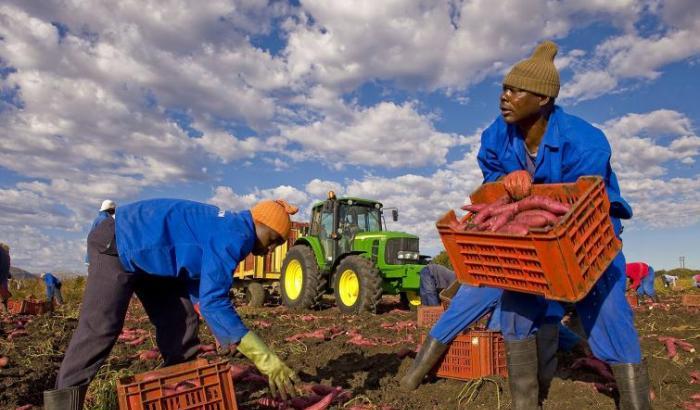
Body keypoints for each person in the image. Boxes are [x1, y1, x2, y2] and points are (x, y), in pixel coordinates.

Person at [475, 41, 648, 409]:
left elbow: (577, 201)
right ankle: (526, 401)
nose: (504, 97)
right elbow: (490, 165)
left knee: (608, 312)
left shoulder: (585, 141)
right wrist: (506, 178)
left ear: (542, 100)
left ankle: (634, 401)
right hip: (528, 241)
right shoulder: (497, 133)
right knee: (517, 308)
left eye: (515, 90)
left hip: (587, 235)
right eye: (504, 88)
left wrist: (531, 194)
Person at [44, 198, 302, 409]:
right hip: (118, 243)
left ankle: (178, 394)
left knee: (181, 320)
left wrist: (223, 333)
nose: (272, 248)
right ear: (260, 222)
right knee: (101, 327)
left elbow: (198, 285)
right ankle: (63, 404)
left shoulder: (231, 229)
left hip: (154, 264)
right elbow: (214, 302)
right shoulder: (234, 235)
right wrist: (266, 359)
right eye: (274, 239)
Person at [401, 283, 586, 401]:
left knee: (463, 313)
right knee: (536, 316)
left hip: (490, 266)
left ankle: (411, 379)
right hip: (523, 271)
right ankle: (540, 391)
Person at [85, 200, 117, 265]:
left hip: (92, 256)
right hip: (99, 258)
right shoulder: (106, 221)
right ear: (111, 210)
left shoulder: (98, 219)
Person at [0, 243, 11, 313]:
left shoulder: (2, 252)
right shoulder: (7, 256)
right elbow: (7, 268)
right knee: (4, 295)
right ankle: (5, 311)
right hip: (3, 278)